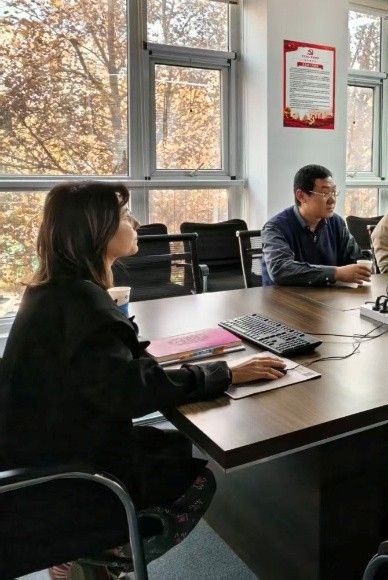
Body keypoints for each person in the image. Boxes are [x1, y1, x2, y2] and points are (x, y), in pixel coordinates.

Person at [0, 182, 286, 577]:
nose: (134, 222)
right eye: (123, 216)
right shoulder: (82, 304)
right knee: (198, 478)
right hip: (73, 478)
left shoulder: (51, 292)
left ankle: (82, 557)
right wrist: (226, 373)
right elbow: (135, 392)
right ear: (95, 230)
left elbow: (105, 372)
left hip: (44, 457)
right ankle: (97, 556)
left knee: (174, 444)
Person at [260, 164, 370, 286]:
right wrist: (336, 273)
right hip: (284, 297)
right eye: (325, 193)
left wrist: (366, 264)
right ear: (301, 196)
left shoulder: (336, 223)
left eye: (334, 192)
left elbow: (357, 259)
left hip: (326, 296)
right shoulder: (275, 228)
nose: (332, 200)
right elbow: (280, 269)